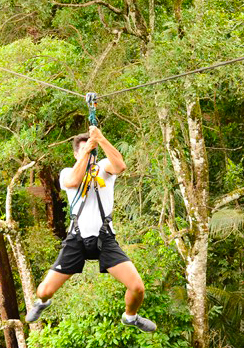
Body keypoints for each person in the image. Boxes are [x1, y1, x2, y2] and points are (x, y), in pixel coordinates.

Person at [25, 126, 156, 332]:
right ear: (76, 154)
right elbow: (74, 181)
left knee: (137, 287)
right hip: (76, 239)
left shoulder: (104, 166)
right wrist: (88, 151)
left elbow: (120, 166)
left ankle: (130, 317)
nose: (91, 154)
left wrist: (100, 139)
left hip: (104, 238)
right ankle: (42, 303)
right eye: (85, 150)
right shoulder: (67, 172)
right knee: (44, 291)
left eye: (92, 151)